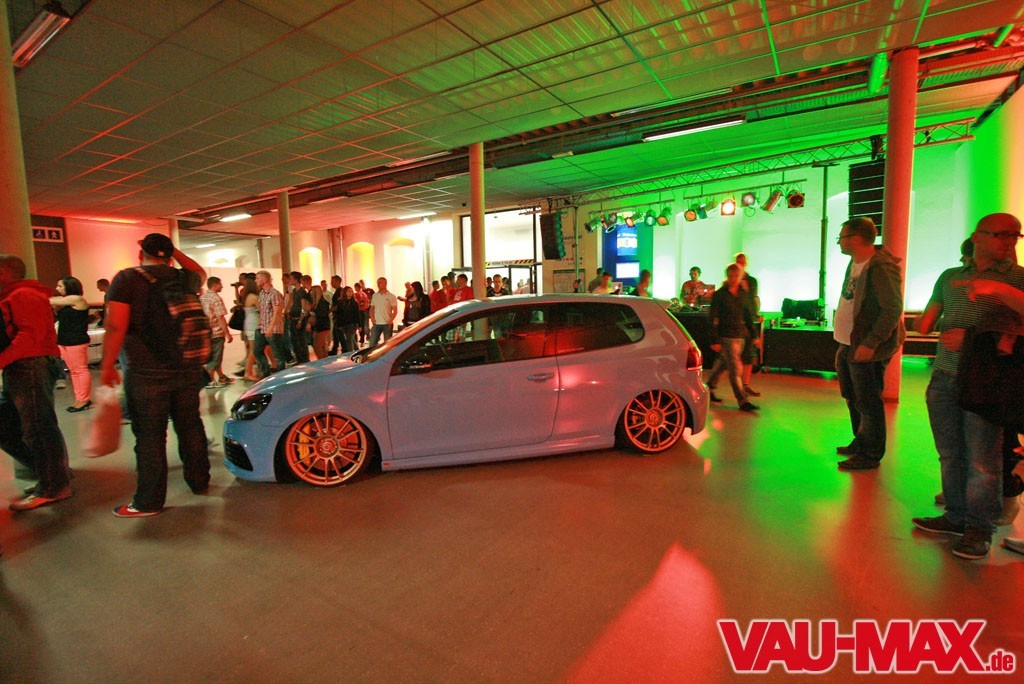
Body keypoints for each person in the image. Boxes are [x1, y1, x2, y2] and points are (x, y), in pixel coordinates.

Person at [911, 213, 1024, 560]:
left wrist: (973, 334)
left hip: (987, 381)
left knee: (982, 459)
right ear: (977, 237)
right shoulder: (950, 276)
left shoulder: (1018, 278)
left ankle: (979, 527)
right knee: (950, 453)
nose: (1010, 241)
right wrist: (925, 322)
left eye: (1015, 236)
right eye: (1002, 235)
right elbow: (928, 319)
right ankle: (956, 515)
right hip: (945, 375)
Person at [100, 233, 210, 518]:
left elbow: (116, 326)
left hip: (145, 370)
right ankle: (199, 481)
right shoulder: (183, 278)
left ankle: (148, 502)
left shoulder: (126, 279)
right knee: (190, 424)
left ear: (141, 254)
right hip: (187, 366)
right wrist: (174, 252)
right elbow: (200, 271)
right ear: (170, 257)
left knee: (150, 435)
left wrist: (107, 365)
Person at [831, 217, 905, 471]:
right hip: (848, 343)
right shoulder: (855, 263)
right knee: (853, 397)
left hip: (865, 346)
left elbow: (892, 309)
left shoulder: (880, 267)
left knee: (868, 401)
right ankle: (861, 440)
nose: (839, 242)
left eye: (842, 237)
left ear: (855, 238)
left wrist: (871, 343)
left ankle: (870, 453)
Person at [0, 254, 72, 511]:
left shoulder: (23, 295)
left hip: (29, 364)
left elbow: (30, 335)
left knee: (38, 428)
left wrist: (2, 359)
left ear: (5, 272)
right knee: (12, 425)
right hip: (23, 365)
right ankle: (54, 474)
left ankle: (54, 485)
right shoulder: (19, 294)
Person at [706, 263, 758, 412]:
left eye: (736, 276)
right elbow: (712, 318)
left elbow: (747, 315)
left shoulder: (743, 293)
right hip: (726, 336)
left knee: (723, 364)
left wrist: (754, 334)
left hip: (739, 336)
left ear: (740, 276)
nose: (733, 279)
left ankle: (708, 388)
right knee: (735, 369)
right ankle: (743, 400)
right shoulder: (720, 295)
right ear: (727, 276)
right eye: (730, 276)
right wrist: (714, 340)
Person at [50, 276, 93, 411]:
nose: (57, 288)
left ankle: (84, 399)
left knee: (80, 370)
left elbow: (50, 301)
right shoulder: (66, 301)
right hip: (65, 340)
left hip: (76, 340)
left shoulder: (77, 299)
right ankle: (79, 398)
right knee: (74, 372)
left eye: (60, 286)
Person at [735, 252, 762, 397]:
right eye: (739, 262)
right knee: (733, 356)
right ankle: (738, 384)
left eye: (743, 262)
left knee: (748, 355)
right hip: (736, 321)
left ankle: (745, 384)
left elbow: (753, 299)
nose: (741, 265)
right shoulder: (732, 281)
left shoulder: (752, 281)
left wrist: (756, 315)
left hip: (748, 320)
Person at [200, 276, 233, 389]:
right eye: (220, 284)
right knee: (216, 357)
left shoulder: (202, 297)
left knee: (214, 356)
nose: (222, 286)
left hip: (206, 332)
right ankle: (209, 380)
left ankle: (221, 376)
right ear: (214, 285)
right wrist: (227, 333)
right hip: (216, 332)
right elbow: (220, 318)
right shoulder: (216, 298)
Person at [253, 270, 287, 378]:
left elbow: (277, 312)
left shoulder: (275, 293)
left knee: (278, 355)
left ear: (264, 280)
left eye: (257, 278)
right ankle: (265, 372)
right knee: (257, 351)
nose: (255, 280)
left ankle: (280, 376)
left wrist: (271, 328)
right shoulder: (262, 293)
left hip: (273, 329)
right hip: (262, 327)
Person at [239, 276, 260, 381]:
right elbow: (261, 309)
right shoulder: (254, 297)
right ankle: (248, 372)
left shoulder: (246, 296)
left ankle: (248, 372)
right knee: (253, 350)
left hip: (248, 323)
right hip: (254, 324)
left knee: (252, 349)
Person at [288, 272, 311, 364]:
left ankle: (304, 359)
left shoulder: (302, 292)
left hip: (299, 318)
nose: (290, 280)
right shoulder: (295, 291)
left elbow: (303, 307)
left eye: (291, 278)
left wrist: (300, 320)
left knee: (301, 340)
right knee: (295, 340)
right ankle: (299, 359)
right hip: (294, 317)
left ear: (296, 280)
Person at [368, 277, 398, 347]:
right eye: (377, 283)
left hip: (387, 323)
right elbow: (371, 308)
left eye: (380, 283)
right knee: (372, 343)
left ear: (385, 284)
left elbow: (395, 310)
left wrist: (390, 320)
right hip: (376, 323)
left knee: (387, 344)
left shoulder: (391, 296)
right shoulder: (375, 296)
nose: (378, 284)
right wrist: (372, 318)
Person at [332, 286, 360, 353]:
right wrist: (339, 324)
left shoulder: (354, 302)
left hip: (353, 324)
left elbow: (357, 314)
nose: (350, 293)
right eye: (348, 291)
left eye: (351, 291)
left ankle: (350, 353)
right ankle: (358, 352)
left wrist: (360, 325)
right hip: (345, 323)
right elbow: (339, 314)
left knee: (349, 338)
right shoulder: (340, 302)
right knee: (351, 338)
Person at [309, 285, 331, 359]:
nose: (311, 294)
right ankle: (324, 359)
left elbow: (322, 315)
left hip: (322, 326)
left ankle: (322, 360)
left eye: (312, 292)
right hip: (319, 326)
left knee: (318, 346)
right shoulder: (316, 303)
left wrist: (313, 317)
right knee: (322, 345)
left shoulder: (322, 303)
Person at [328, 275, 343, 354]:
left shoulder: (340, 292)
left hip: (339, 316)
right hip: (336, 316)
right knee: (336, 334)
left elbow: (339, 305)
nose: (331, 283)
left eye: (332, 281)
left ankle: (344, 349)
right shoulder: (337, 291)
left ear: (337, 282)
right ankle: (335, 349)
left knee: (339, 334)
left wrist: (330, 310)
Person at [353, 281, 370, 345]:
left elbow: (355, 304)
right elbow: (367, 303)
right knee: (363, 325)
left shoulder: (356, 295)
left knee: (356, 326)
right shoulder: (364, 294)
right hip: (364, 311)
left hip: (358, 312)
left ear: (356, 287)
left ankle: (356, 340)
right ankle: (362, 339)